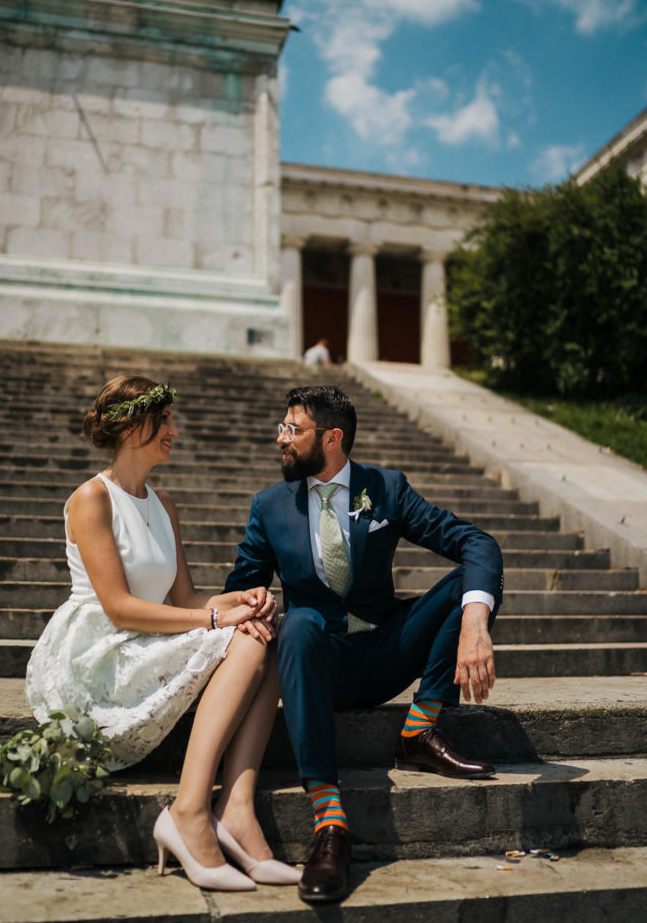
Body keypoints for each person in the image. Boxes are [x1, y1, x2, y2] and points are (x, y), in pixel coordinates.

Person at [225, 385, 504, 903]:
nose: (280, 439)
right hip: (318, 666)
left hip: (385, 651)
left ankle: (417, 732)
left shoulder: (387, 488)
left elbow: (477, 543)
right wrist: (251, 601)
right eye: (282, 428)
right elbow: (238, 587)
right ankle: (330, 823)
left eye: (293, 430)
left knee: (472, 581)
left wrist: (475, 620)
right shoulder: (269, 506)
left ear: (332, 438)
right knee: (301, 620)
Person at [25, 375, 300, 891]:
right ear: (133, 425)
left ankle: (236, 808)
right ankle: (189, 809)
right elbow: (121, 608)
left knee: (268, 628)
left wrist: (242, 601)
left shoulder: (163, 503)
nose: (174, 429)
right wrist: (217, 619)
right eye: (165, 419)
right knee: (241, 639)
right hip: (99, 655)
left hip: (147, 637)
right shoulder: (91, 498)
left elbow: (187, 600)